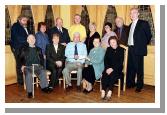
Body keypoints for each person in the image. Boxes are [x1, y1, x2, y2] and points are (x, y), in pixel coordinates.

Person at [126, 8, 152, 92]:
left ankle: (139, 86)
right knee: (131, 67)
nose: (132, 14)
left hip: (138, 49)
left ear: (138, 14)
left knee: (139, 69)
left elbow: (149, 36)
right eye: (131, 13)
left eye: (134, 13)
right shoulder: (130, 25)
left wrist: (142, 44)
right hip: (130, 48)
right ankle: (131, 83)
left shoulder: (143, 23)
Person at [10, 15, 31, 85]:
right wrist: (28, 40)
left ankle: (26, 80)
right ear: (19, 20)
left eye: (26, 21)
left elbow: (29, 36)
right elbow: (18, 38)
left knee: (25, 64)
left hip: (25, 48)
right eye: (24, 20)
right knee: (19, 64)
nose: (25, 22)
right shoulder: (15, 26)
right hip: (18, 48)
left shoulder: (25, 27)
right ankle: (20, 82)